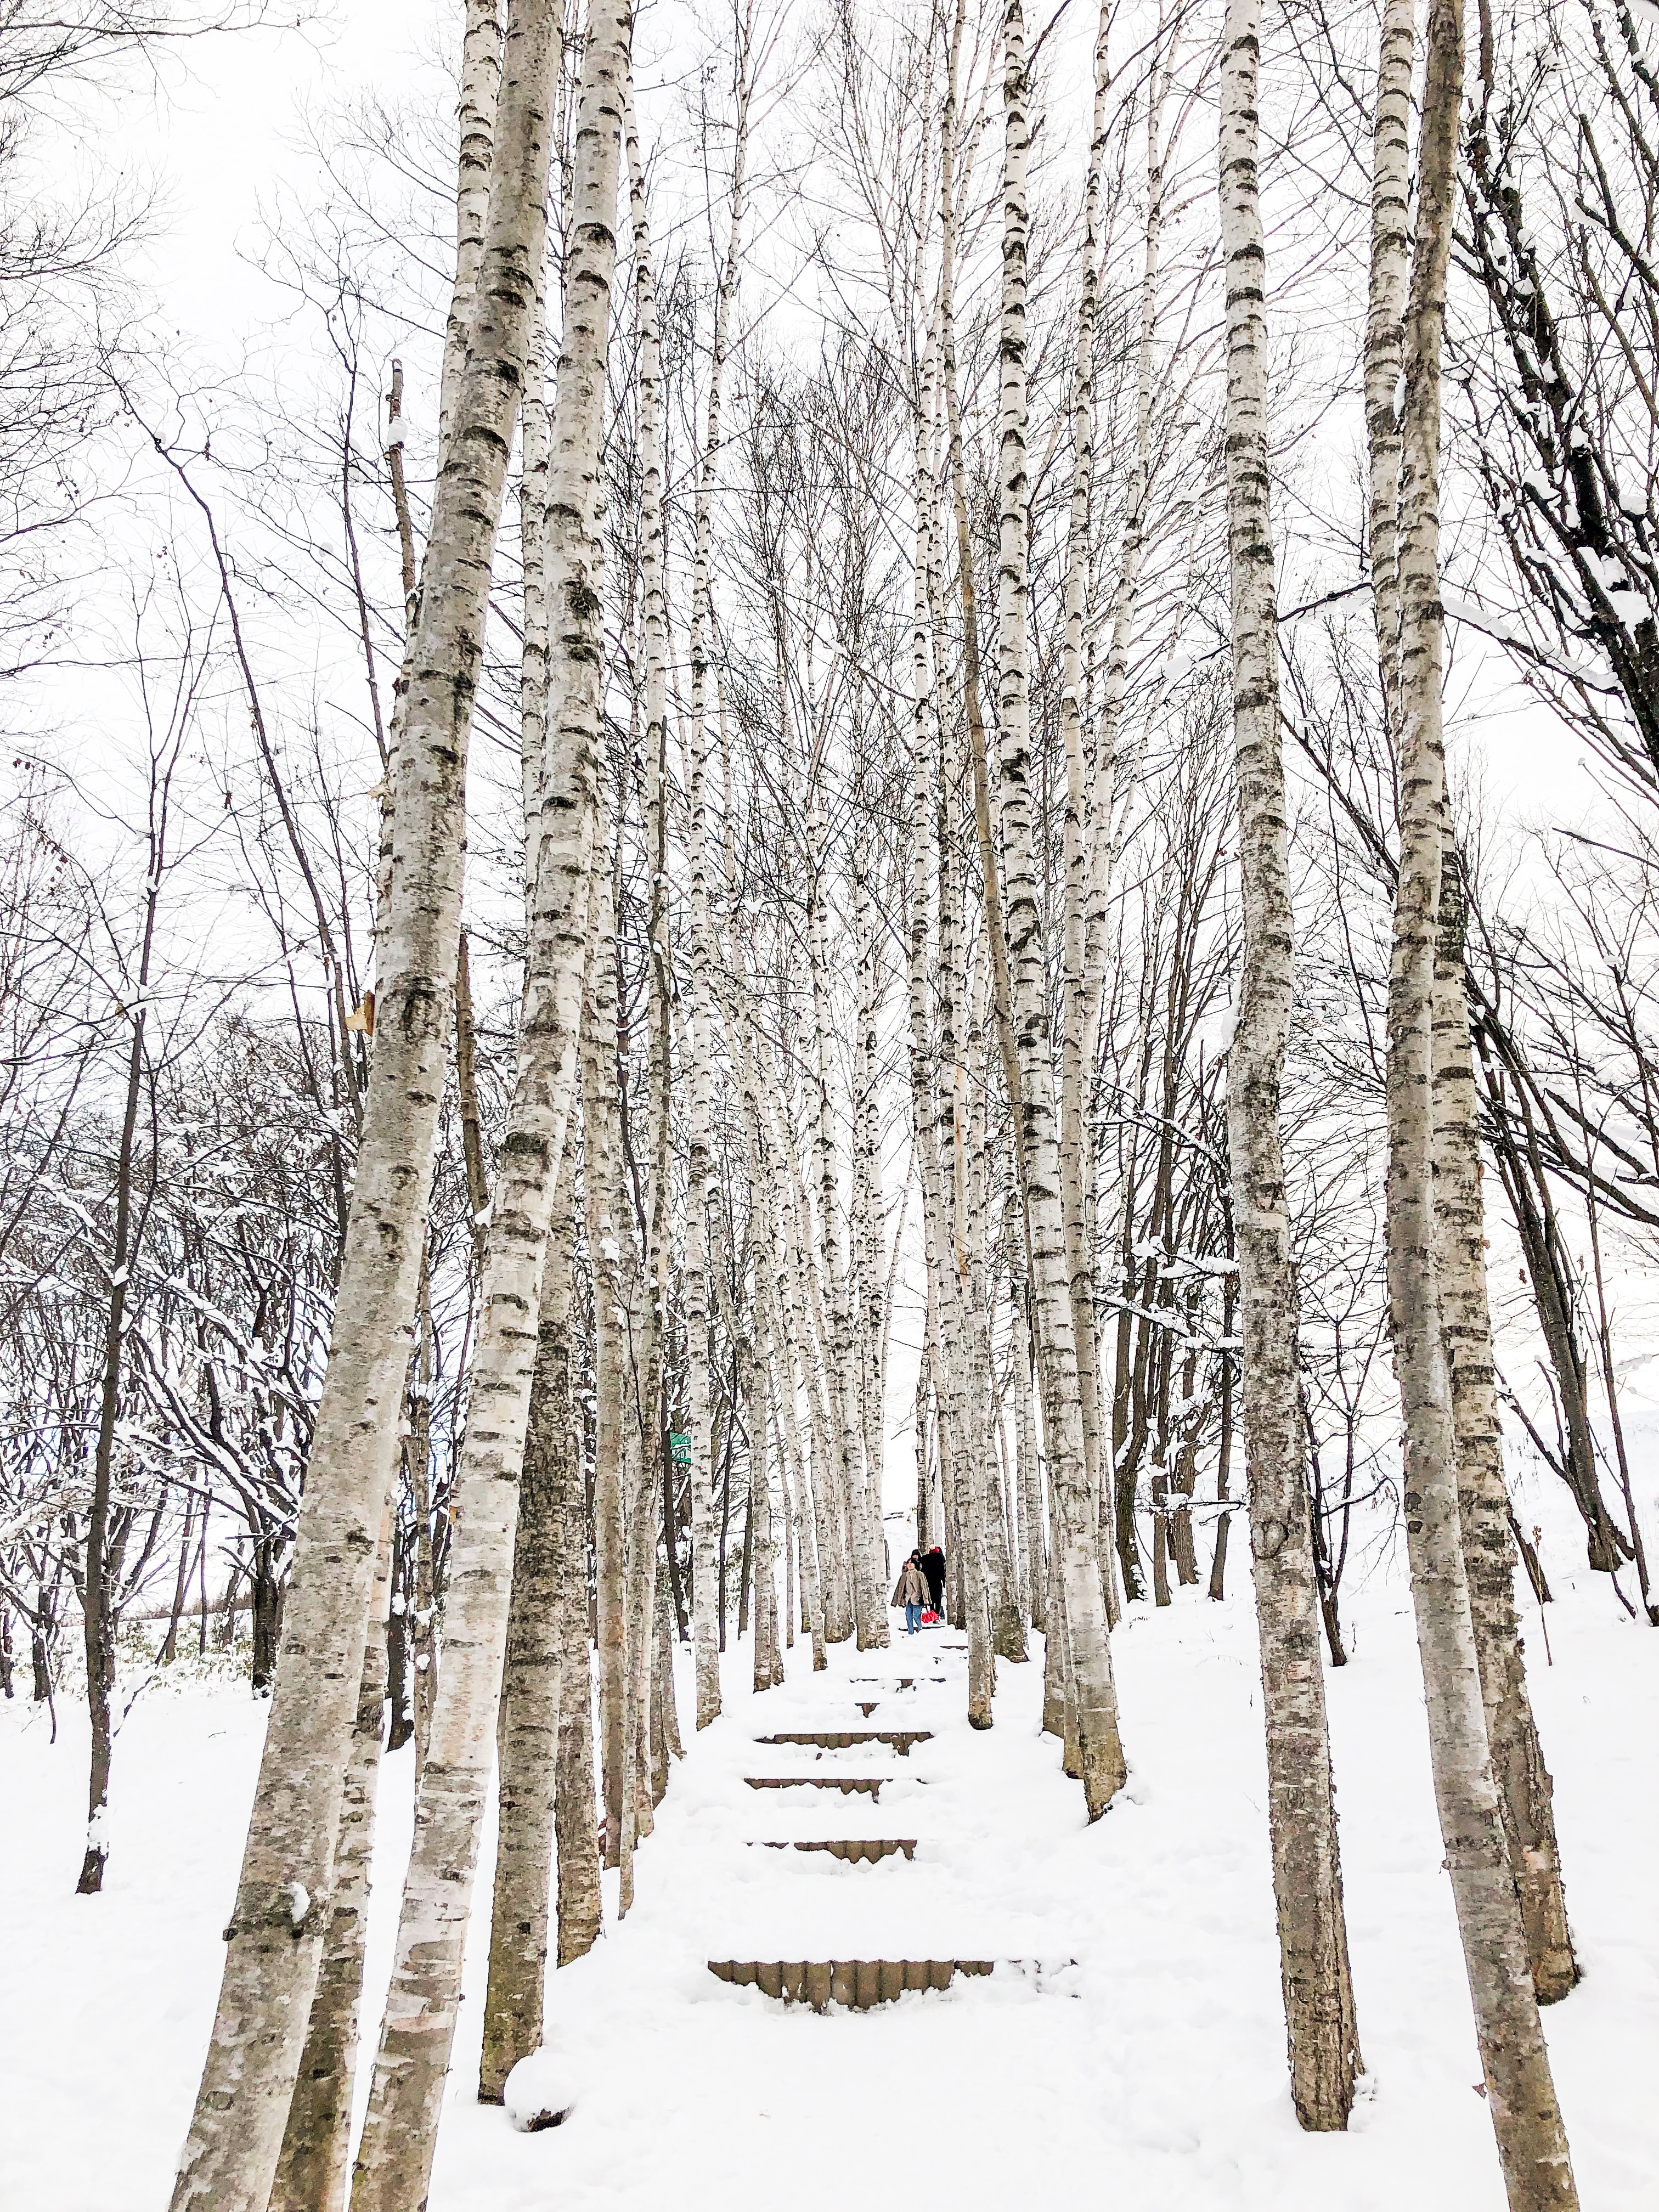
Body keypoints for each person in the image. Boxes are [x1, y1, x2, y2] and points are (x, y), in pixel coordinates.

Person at [892, 1551, 928, 1635]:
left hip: (917, 1598)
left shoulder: (920, 1574)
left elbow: (924, 1587)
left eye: (911, 1563)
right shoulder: (905, 1576)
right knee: (908, 1616)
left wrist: (925, 1599)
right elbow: (900, 1588)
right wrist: (896, 1601)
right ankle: (910, 1631)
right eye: (908, 1563)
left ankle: (920, 1628)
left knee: (916, 1615)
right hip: (907, 1598)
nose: (910, 1565)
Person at [921, 1545, 946, 1617]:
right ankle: (937, 1615)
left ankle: (932, 1613)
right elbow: (941, 1572)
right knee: (938, 1600)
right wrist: (944, 1581)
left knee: (931, 1599)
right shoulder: (940, 1559)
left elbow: (923, 1571)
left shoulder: (925, 1559)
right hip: (937, 1582)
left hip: (928, 1582)